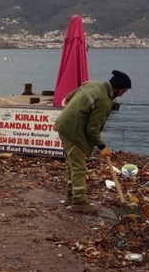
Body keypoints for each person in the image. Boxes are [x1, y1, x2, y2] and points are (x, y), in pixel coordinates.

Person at [53, 70, 131, 214]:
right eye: (124, 91)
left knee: (72, 164)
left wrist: (78, 111)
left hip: (64, 125)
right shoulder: (103, 101)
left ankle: (71, 197)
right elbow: (92, 129)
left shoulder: (92, 84)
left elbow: (69, 98)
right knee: (78, 167)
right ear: (117, 88)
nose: (123, 94)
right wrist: (102, 147)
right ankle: (79, 202)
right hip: (72, 131)